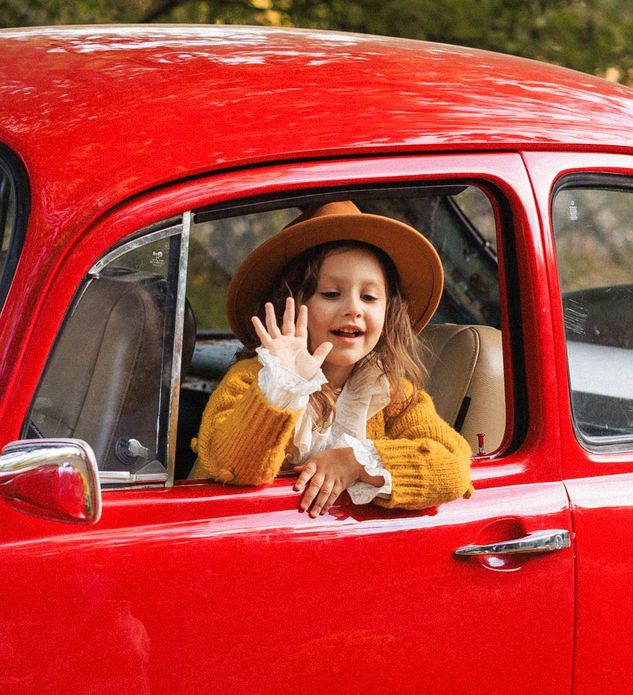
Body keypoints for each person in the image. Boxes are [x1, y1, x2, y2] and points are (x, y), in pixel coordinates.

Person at [192, 199, 474, 515]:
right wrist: (283, 387)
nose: (354, 309)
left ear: (388, 314)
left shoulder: (392, 394)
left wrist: (353, 462)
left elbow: (455, 467)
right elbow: (234, 468)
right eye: (331, 294)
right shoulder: (253, 379)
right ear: (291, 304)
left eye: (369, 297)